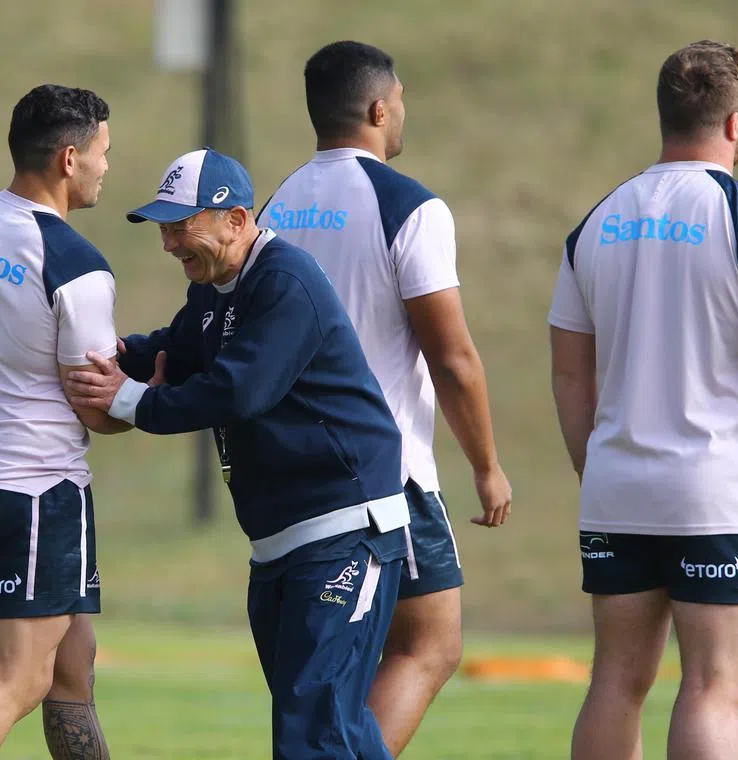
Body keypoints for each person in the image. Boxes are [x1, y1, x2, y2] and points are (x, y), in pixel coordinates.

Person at [547, 40, 738, 760]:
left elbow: (569, 375)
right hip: (717, 497)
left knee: (615, 684)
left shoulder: (595, 223)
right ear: (736, 123)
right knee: (712, 692)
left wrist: (597, 471)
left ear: (665, 116)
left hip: (617, 490)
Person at [65, 148, 410, 759]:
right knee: (336, 728)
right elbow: (175, 349)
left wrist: (129, 400)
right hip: (282, 544)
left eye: (182, 225)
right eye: (164, 227)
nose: (169, 243)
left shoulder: (284, 282)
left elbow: (238, 391)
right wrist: (103, 353)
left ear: (236, 219)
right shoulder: (216, 288)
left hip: (343, 532)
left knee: (312, 735)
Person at [256, 40, 513, 755]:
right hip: (383, 474)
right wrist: (487, 465)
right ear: (377, 109)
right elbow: (452, 356)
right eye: (399, 100)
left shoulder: (276, 206)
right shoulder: (407, 207)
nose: (403, 112)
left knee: (348, 659)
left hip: (292, 472)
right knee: (430, 643)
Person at [0, 84, 125, 760]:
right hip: (35, 489)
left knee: (70, 671)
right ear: (69, 158)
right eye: (102, 153)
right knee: (16, 678)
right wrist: (153, 399)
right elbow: (95, 405)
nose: (105, 166)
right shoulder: (75, 264)